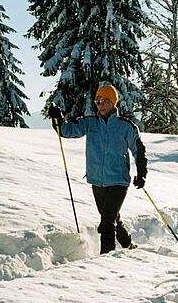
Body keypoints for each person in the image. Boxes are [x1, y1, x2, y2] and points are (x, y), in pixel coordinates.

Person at [48, 85, 147, 254]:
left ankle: (105, 261)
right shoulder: (90, 123)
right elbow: (66, 131)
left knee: (107, 223)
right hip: (97, 181)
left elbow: (139, 151)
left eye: (104, 102)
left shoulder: (126, 126)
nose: (100, 105)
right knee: (112, 217)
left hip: (118, 181)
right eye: (98, 101)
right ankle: (128, 244)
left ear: (113, 103)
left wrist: (141, 173)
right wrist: (57, 119)